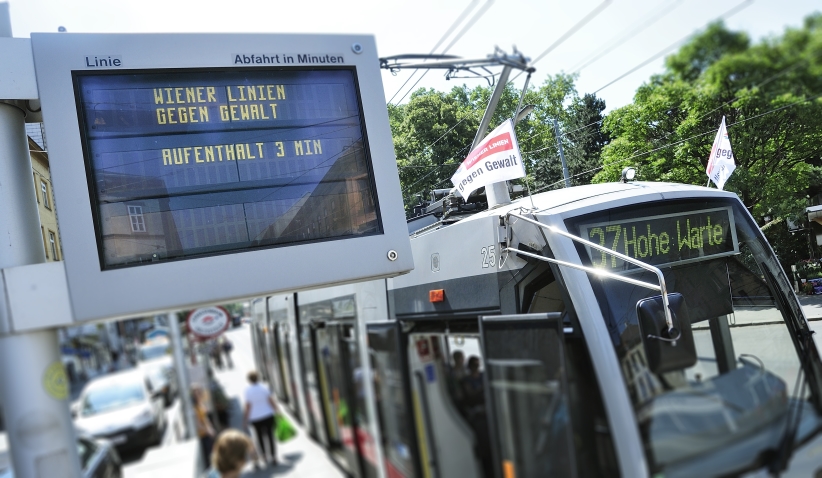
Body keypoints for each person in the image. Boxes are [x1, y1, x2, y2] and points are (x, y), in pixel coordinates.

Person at [243, 370, 279, 469]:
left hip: (255, 418)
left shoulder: (247, 390)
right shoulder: (264, 387)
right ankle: (274, 457)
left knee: (259, 437)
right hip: (268, 415)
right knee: (270, 436)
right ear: (258, 377)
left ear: (249, 379)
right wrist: (277, 411)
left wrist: (245, 419)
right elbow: (270, 400)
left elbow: (248, 406)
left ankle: (264, 456)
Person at [193, 386, 216, 469]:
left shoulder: (201, 404)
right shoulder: (195, 408)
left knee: (212, 456)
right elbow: (198, 424)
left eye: (199, 393)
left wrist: (210, 428)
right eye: (197, 394)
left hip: (208, 433)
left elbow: (206, 418)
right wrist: (208, 431)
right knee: (208, 459)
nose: (199, 395)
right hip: (203, 435)